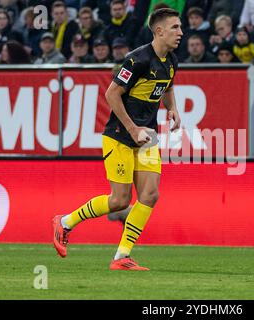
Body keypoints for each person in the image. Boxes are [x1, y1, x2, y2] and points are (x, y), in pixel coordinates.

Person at [52, 8, 182, 271]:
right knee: (120, 200)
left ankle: (121, 256)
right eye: (175, 28)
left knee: (150, 194)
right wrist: (133, 129)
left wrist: (173, 108)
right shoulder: (137, 60)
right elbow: (112, 95)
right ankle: (65, 222)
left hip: (148, 136)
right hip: (121, 136)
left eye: (180, 27)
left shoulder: (171, 61)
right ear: (159, 31)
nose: (180, 32)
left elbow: (167, 86)